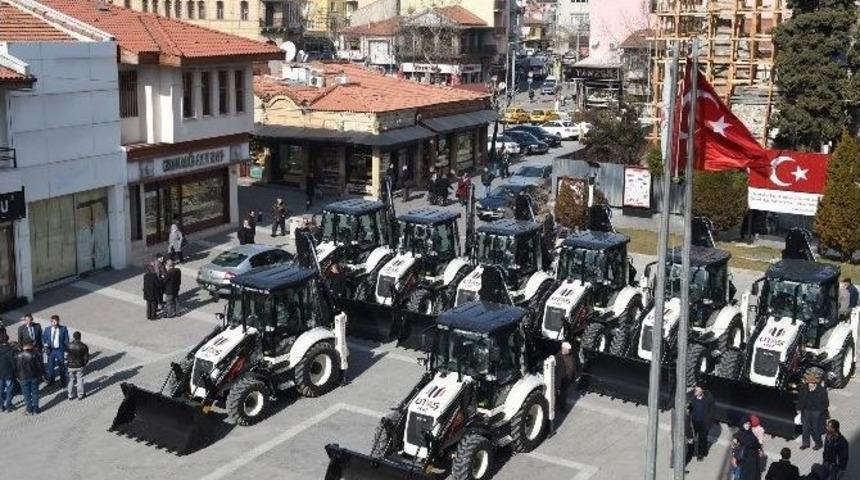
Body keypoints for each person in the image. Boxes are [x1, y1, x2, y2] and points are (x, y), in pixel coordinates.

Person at [798, 371, 829, 450]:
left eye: (812, 383)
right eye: (809, 383)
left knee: (815, 429)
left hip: (816, 412)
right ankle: (805, 444)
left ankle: (819, 443)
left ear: (815, 383)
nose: (810, 385)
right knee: (805, 428)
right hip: (806, 411)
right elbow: (800, 399)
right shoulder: (804, 388)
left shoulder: (821, 390)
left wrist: (820, 411)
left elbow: (826, 403)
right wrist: (799, 408)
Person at [14, 340, 43, 415]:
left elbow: (15, 368)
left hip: (23, 378)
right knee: (35, 393)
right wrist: (40, 375)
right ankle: (36, 409)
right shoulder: (34, 354)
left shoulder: (17, 355)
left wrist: (17, 376)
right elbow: (39, 366)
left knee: (26, 395)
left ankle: (29, 410)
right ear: (30, 345)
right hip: (34, 377)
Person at [688, 384, 715, 460]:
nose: (695, 391)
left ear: (701, 391)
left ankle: (700, 454)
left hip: (703, 423)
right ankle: (690, 452)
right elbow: (689, 408)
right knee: (692, 437)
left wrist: (708, 424)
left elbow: (712, 413)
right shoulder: (692, 398)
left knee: (702, 439)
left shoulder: (708, 400)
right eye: (695, 389)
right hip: (693, 422)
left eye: (697, 390)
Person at [42, 315, 68, 387]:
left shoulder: (63, 329)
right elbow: (44, 338)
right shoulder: (47, 329)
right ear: (51, 322)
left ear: (58, 321)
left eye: (55, 321)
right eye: (53, 322)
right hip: (51, 350)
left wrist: (66, 350)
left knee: (61, 366)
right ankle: (51, 381)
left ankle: (63, 382)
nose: (54, 323)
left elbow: (66, 340)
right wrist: (45, 344)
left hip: (60, 350)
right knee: (50, 367)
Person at [66, 331, 89, 400]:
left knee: (71, 380)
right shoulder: (84, 346)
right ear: (80, 337)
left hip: (70, 366)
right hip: (79, 365)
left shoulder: (69, 345)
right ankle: (80, 395)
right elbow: (86, 357)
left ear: (73, 337)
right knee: (80, 380)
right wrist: (84, 364)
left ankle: (70, 395)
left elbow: (66, 355)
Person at [553, 341, 575, 413]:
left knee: (564, 393)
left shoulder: (570, 355)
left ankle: (560, 406)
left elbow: (573, 365)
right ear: (563, 349)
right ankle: (561, 408)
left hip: (568, 378)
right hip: (561, 380)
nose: (570, 351)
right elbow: (557, 372)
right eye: (568, 349)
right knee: (562, 395)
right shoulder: (558, 357)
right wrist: (558, 383)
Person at [0, 332, 14, 412]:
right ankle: (8, 405)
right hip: (9, 373)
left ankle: (1, 406)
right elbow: (14, 363)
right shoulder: (11, 350)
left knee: (0, 390)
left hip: (0, 374)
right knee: (9, 389)